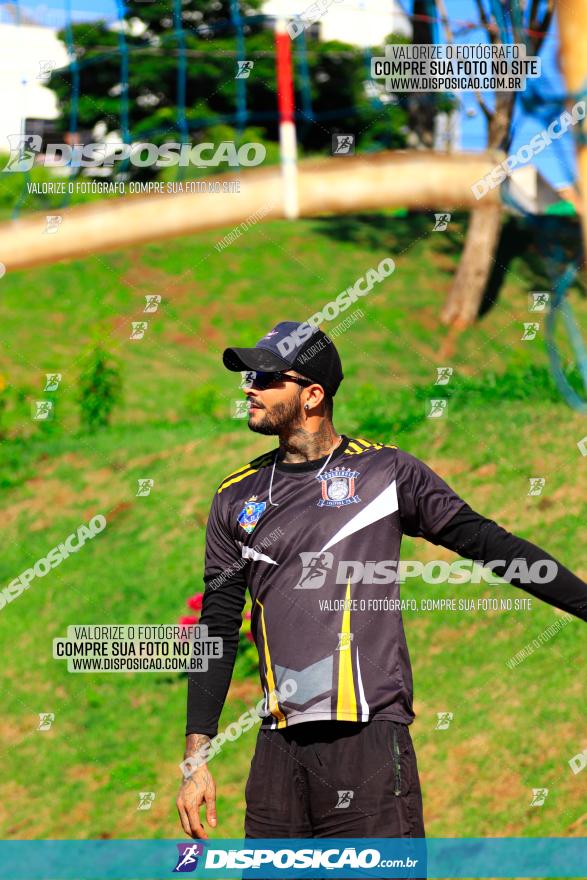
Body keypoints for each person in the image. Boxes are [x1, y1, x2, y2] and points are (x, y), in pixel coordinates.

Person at [176, 321, 587, 851]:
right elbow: (217, 627)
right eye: (247, 376)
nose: (249, 387)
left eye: (265, 377)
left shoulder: (385, 473)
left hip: (367, 739)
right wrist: (196, 760)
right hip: (278, 752)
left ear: (312, 394)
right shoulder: (235, 497)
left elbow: (489, 544)